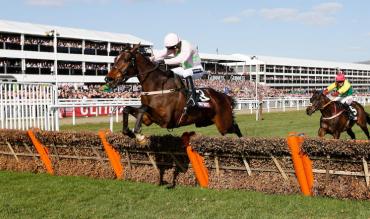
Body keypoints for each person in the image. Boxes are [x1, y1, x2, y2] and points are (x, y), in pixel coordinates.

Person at [151, 33, 204, 109]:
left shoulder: (187, 46)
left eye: (171, 48)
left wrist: (164, 61)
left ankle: (192, 97)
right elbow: (163, 53)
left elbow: (181, 59)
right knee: (171, 71)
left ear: (176, 45)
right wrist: (151, 58)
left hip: (198, 70)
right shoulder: (175, 46)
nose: (170, 50)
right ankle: (179, 91)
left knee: (186, 73)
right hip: (185, 69)